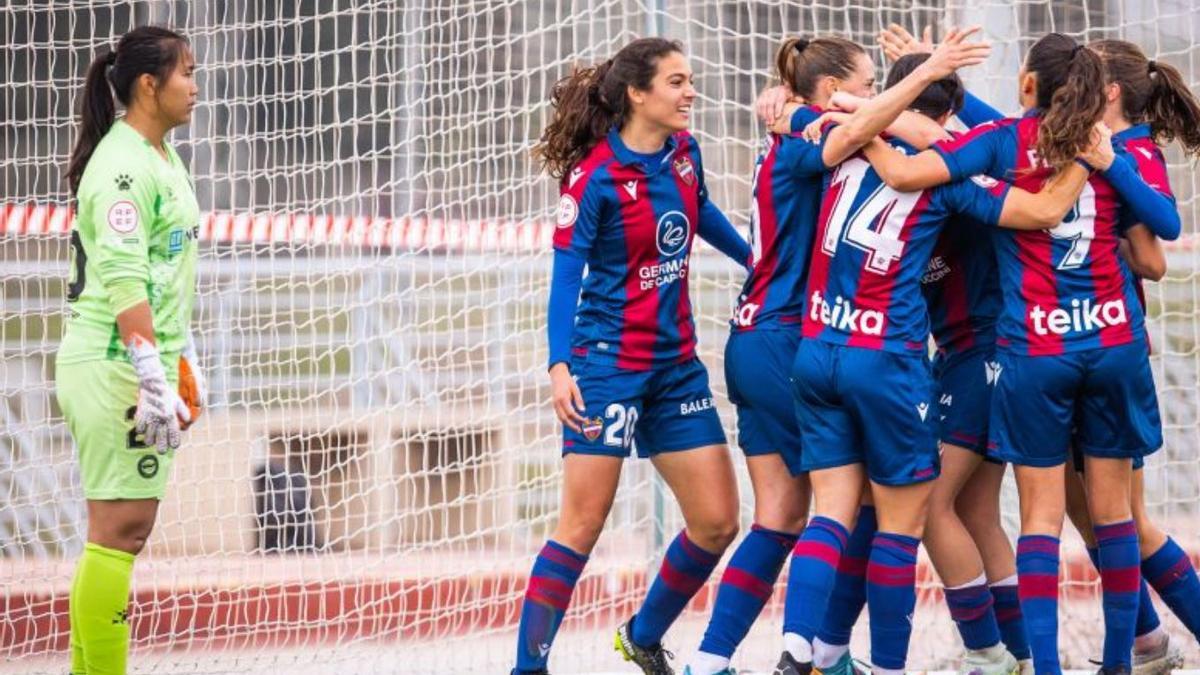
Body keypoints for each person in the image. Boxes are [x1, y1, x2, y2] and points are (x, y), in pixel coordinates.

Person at [863, 32, 1180, 675]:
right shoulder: (1114, 149)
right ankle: (1121, 662)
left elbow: (906, 168)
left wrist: (852, 115)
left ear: (1028, 85)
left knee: (1042, 514)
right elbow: (1162, 237)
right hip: (1113, 340)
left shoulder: (1004, 143)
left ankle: (1044, 668)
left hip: (1037, 349)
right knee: (1115, 515)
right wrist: (1108, 165)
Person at [685, 32, 989, 675]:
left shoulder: (810, 139)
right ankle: (847, 656)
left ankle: (748, 656)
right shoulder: (836, 147)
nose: (875, 95)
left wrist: (802, 107)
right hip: (835, 344)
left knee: (803, 514)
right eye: (867, 84)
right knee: (878, 518)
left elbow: (845, 125)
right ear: (834, 93)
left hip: (786, 337)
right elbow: (943, 150)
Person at [512, 37, 754, 675]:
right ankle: (526, 669)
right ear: (637, 94)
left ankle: (642, 638)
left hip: (676, 367)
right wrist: (559, 365)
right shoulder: (592, 177)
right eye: (676, 82)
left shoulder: (684, 152)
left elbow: (702, 214)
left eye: (690, 80)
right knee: (581, 526)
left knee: (716, 522)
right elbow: (567, 277)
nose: (690, 92)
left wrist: (761, 263)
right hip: (606, 366)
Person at [57, 25, 204, 675]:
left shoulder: (160, 157)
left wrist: (184, 358)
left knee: (116, 535)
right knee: (122, 534)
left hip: (140, 362)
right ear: (149, 85)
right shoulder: (122, 166)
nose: (196, 88)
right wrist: (151, 373)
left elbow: (167, 272)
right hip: (115, 366)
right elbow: (125, 285)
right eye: (186, 74)